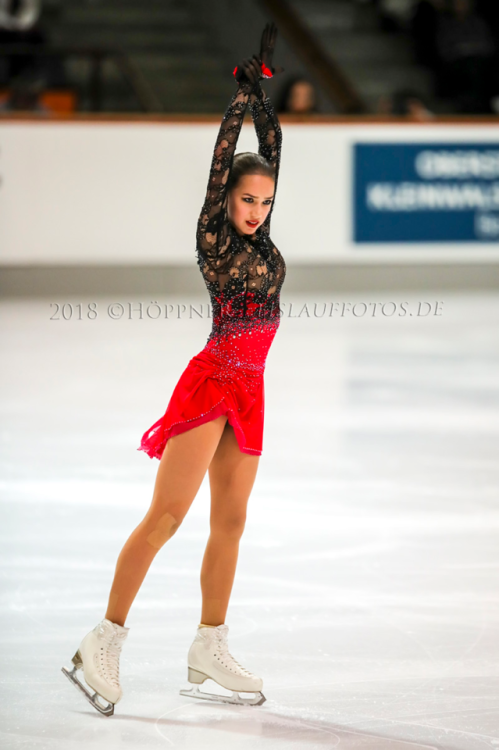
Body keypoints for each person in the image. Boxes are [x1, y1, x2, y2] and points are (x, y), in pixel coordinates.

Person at [61, 23, 287, 715]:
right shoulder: (214, 234)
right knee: (166, 515)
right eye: (247, 199)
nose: (255, 210)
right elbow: (230, 158)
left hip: (250, 387)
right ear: (226, 199)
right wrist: (236, 108)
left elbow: (269, 152)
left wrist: (262, 102)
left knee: (231, 522)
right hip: (215, 380)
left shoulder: (265, 235)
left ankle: (208, 643)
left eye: (265, 202)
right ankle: (101, 639)